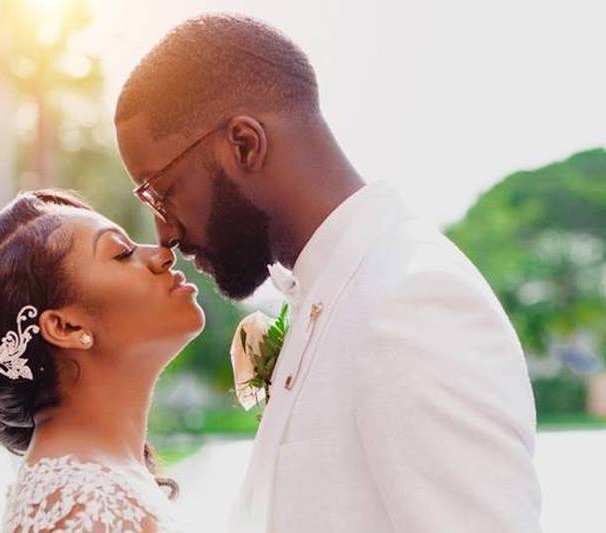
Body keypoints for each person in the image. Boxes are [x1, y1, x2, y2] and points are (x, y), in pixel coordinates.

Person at [115, 13, 543, 533]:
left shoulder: (413, 299)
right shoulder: (330, 292)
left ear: (245, 144)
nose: (164, 235)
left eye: (161, 192)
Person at [0, 189, 204, 533]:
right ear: (65, 326)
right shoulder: (75, 511)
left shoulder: (94, 487)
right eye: (121, 253)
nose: (162, 255)